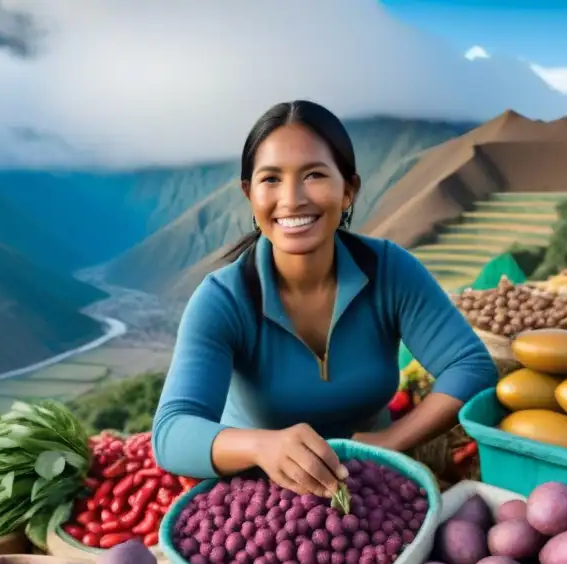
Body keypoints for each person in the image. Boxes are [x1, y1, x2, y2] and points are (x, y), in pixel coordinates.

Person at [152, 101, 498, 497]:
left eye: (314, 175)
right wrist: (263, 445)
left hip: (372, 481)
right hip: (261, 499)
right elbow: (171, 434)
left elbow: (470, 365)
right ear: (249, 194)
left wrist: (391, 441)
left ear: (348, 189)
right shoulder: (223, 300)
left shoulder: (389, 270)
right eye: (271, 179)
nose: (292, 198)